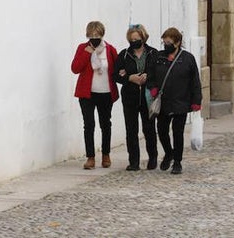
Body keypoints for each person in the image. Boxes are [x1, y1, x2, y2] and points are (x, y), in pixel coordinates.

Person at [147, 27, 202, 175]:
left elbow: (195, 81)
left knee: (178, 133)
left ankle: (177, 161)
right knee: (162, 131)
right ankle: (168, 152)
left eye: (169, 42)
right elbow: (150, 75)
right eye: (164, 42)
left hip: (181, 101)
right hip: (163, 102)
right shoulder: (158, 57)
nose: (166, 45)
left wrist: (196, 101)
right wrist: (152, 88)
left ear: (177, 42)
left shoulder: (188, 59)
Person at [71, 21, 119, 169]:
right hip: (87, 93)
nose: (94, 38)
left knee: (105, 124)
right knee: (89, 125)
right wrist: (87, 52)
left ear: (102, 34)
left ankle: (106, 155)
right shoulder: (83, 48)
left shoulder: (110, 50)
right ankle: (90, 157)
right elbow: (75, 68)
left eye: (97, 35)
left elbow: (117, 69)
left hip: (105, 92)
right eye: (91, 35)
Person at [114, 24, 158, 170]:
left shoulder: (153, 53)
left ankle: (153, 158)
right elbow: (116, 75)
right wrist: (129, 78)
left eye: (137, 39)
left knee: (149, 128)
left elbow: (158, 72)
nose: (134, 42)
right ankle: (134, 161)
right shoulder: (124, 54)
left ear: (143, 38)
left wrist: (148, 76)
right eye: (132, 39)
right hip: (130, 96)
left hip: (147, 97)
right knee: (131, 130)